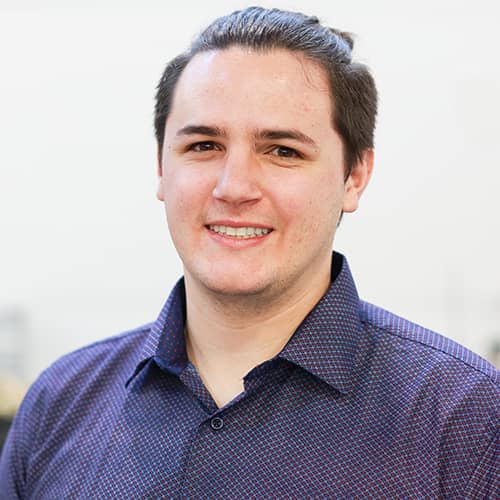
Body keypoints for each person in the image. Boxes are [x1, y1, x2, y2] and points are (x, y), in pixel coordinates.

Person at [1, 6, 498, 498]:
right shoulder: (59, 405)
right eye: (204, 146)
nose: (234, 187)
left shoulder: (465, 420)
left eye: (283, 151)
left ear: (354, 177)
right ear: (161, 167)